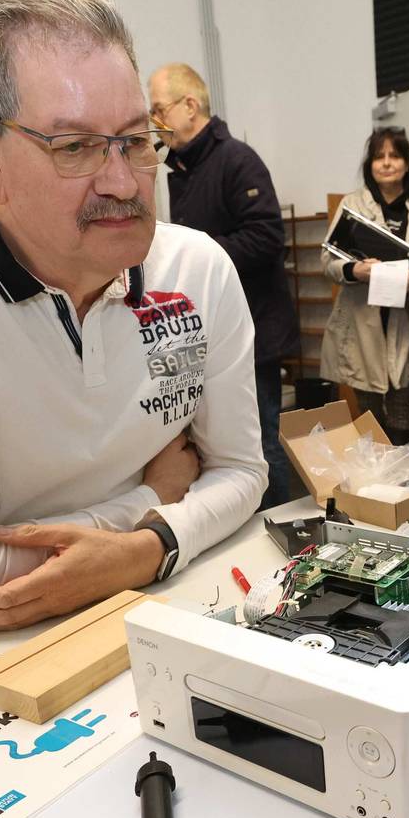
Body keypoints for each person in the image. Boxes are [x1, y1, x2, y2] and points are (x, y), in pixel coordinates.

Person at [0, 0, 267, 637]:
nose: (124, 183)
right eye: (75, 147)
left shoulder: (199, 269)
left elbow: (241, 471)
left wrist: (149, 546)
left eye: (137, 141)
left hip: (167, 610)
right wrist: (150, 503)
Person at [147, 63, 298, 508]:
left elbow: (268, 237)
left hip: (255, 332)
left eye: (159, 110)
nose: (154, 122)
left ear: (190, 106)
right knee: (219, 448)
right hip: (208, 332)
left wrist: (198, 259)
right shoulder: (183, 168)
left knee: (260, 440)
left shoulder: (237, 160)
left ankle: (284, 538)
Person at [320, 128, 409, 445]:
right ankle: (373, 485)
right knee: (367, 414)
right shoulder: (352, 204)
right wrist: (356, 270)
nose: (386, 163)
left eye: (394, 156)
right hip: (362, 323)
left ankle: (399, 483)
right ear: (370, 165)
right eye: (379, 156)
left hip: (407, 321)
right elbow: (328, 260)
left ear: (407, 163)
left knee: (399, 414)